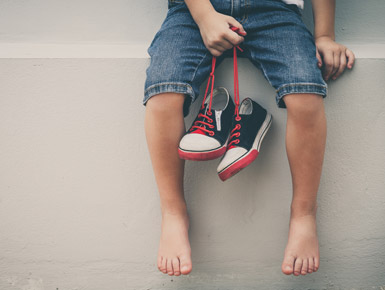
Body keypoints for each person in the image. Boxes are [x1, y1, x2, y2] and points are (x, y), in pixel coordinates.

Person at [143, 0, 355, 277]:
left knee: (306, 95)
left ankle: (304, 216)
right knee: (163, 92)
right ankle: (173, 214)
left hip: (275, 10)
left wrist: (324, 35)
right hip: (194, 11)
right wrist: (204, 15)